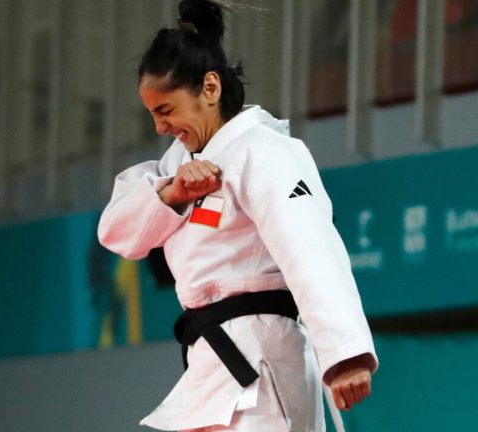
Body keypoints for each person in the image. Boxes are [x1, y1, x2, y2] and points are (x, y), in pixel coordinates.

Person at [97, 0, 378, 431]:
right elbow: (117, 233)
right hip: (211, 359)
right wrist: (173, 193)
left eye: (166, 110)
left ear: (210, 88)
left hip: (263, 358)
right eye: (152, 114)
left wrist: (346, 354)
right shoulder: (175, 168)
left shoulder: (264, 152)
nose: (159, 127)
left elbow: (311, 251)